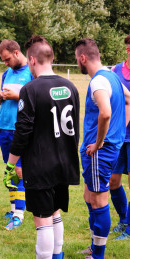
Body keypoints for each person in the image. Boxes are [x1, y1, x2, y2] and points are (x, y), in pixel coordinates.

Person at [3, 35, 80, 259]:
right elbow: (74, 128)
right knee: (54, 212)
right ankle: (58, 255)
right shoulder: (71, 86)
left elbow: (23, 130)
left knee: (42, 218)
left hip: (40, 165)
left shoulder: (30, 89)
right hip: (64, 163)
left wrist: (11, 163)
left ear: (32, 60)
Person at [75, 38, 129, 259]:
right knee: (89, 197)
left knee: (98, 200)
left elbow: (105, 112)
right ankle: (94, 247)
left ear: (83, 58)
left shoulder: (98, 81)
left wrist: (99, 142)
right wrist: (120, 129)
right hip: (105, 149)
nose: (76, 62)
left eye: (76, 59)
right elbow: (130, 100)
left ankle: (98, 255)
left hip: (99, 152)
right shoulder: (112, 76)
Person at [0, 39, 34, 230]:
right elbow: (7, 102)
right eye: (3, 60)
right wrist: (1, 98)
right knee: (9, 170)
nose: (6, 63)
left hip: (21, 129)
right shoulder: (7, 73)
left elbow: (36, 99)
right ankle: (13, 210)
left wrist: (17, 95)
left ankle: (19, 216)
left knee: (19, 171)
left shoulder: (32, 73)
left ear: (17, 53)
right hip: (4, 127)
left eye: (7, 59)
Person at [108, 34, 130, 241]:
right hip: (118, 135)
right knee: (113, 181)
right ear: (128, 49)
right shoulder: (115, 70)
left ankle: (132, 229)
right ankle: (124, 220)